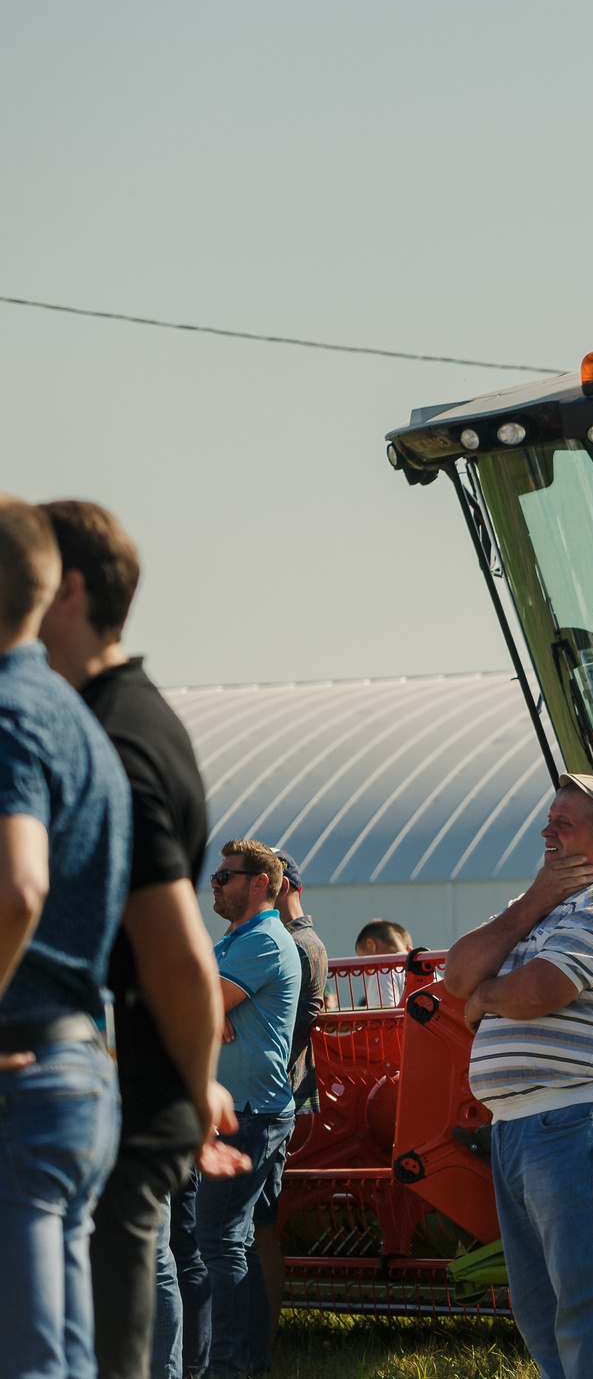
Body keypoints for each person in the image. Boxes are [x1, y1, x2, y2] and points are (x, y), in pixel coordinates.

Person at [36, 500, 245, 1379]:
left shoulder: (114, 738)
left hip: (121, 1099)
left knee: (104, 1348)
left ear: (70, 589)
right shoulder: (133, 714)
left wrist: (195, 1088)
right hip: (134, 1094)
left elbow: (177, 949)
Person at [443, 775, 593, 1379]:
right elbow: (457, 975)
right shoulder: (537, 908)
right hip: (524, 1125)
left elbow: (539, 990)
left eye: (563, 823)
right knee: (540, 1308)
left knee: (586, 1300)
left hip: (579, 1116)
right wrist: (529, 906)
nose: (546, 832)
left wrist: (488, 994)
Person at [0, 494, 132, 1379]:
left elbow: (19, 885)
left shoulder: (9, 712)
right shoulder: (79, 719)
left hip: (23, 1072)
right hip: (79, 1070)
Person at [198, 839, 300, 1379]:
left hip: (247, 1112)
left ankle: (231, 1365)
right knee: (240, 1239)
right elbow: (196, 997)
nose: (214, 885)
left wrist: (200, 1005)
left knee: (218, 1240)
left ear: (259, 883)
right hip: (249, 1108)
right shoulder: (237, 941)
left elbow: (193, 1001)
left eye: (223, 877)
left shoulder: (262, 941)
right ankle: (249, 1362)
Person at [256, 854, 326, 1346]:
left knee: (258, 1228)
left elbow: (281, 1029)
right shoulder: (301, 941)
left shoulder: (295, 945)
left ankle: (259, 1336)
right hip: (284, 1092)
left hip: (273, 1095)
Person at [353, 921, 412, 1009]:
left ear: (371, 945)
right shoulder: (427, 968)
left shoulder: (382, 971)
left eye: (363, 960)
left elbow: (383, 1018)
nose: (366, 973)